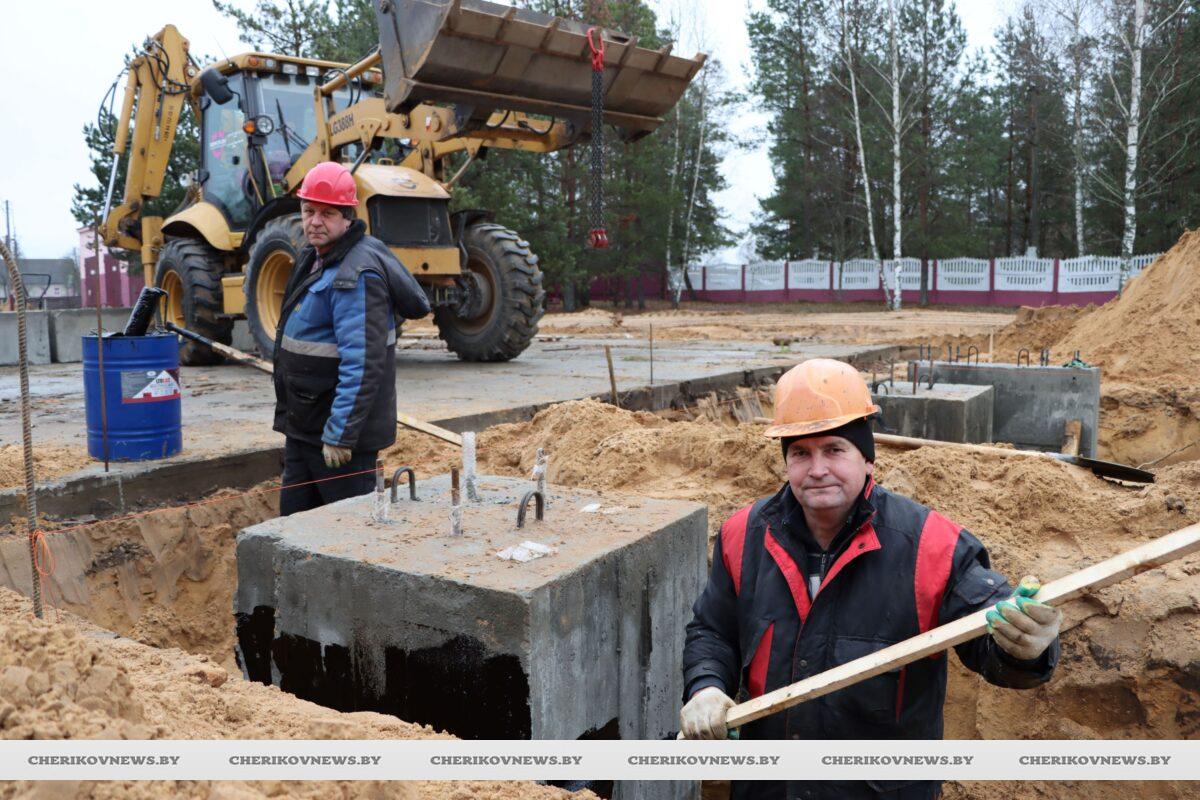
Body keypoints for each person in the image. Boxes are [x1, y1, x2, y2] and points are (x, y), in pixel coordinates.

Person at [679, 358, 1062, 800]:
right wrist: (706, 686)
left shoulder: (930, 545)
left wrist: (1026, 648)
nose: (816, 468)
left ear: (866, 455)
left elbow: (989, 639)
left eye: (834, 449)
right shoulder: (743, 536)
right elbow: (713, 630)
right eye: (800, 452)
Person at [273, 161, 431, 515]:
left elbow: (363, 363)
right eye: (309, 210)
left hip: (337, 440)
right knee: (294, 527)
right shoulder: (315, 257)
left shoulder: (355, 275)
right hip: (305, 426)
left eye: (327, 213)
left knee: (349, 537)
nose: (314, 221)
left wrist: (341, 434)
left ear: (347, 217)